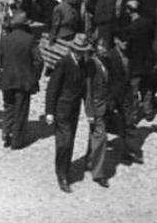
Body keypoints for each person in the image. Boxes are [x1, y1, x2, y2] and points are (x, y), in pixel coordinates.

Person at [45, 33, 91, 193]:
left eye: (82, 51)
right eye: (78, 50)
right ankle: (61, 175)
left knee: (70, 141)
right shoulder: (63, 63)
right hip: (61, 109)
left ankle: (65, 168)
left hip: (74, 109)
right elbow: (52, 88)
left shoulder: (83, 64)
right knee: (63, 143)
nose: (80, 53)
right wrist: (49, 111)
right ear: (72, 49)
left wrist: (88, 109)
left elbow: (84, 88)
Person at [0, 10, 42, 149]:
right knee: (21, 111)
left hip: (8, 80)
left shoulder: (5, 39)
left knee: (8, 108)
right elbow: (39, 61)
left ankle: (7, 134)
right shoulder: (30, 39)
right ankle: (17, 140)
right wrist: (34, 76)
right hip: (24, 81)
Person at [106, 30, 143, 164]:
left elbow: (131, 75)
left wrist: (134, 91)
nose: (126, 44)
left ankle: (128, 151)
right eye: (123, 41)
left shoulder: (129, 55)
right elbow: (105, 80)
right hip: (112, 97)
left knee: (128, 123)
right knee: (104, 125)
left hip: (126, 96)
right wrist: (109, 99)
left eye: (127, 42)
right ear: (116, 40)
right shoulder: (109, 56)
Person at [85, 36, 110, 187]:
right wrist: (89, 112)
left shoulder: (104, 63)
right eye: (102, 47)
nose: (105, 49)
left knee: (94, 135)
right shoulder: (91, 65)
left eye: (106, 47)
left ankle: (89, 161)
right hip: (95, 107)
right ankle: (98, 173)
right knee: (101, 138)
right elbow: (88, 90)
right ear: (96, 48)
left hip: (103, 105)